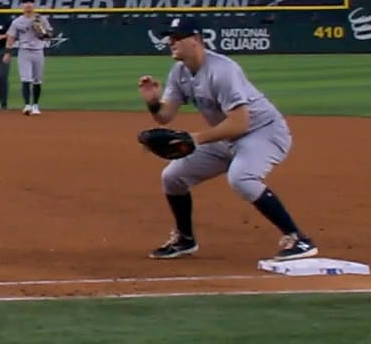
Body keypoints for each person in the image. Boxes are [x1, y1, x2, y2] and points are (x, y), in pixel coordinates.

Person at [136, 17, 319, 262]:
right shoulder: (179, 72)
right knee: (172, 177)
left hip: (263, 131)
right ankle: (185, 239)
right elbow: (164, 117)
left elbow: (240, 123)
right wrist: (152, 102)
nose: (172, 42)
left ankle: (298, 239)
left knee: (241, 177)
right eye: (170, 38)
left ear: (197, 40)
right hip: (227, 136)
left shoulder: (223, 71)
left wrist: (195, 138)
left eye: (178, 37)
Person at [5, 0, 53, 115]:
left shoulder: (41, 19)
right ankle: (27, 105)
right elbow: (11, 37)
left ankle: (35, 105)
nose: (28, 4)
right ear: (22, 5)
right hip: (24, 52)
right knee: (25, 79)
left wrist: (42, 33)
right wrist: (7, 53)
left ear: (34, 5)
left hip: (38, 51)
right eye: (26, 2)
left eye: (30, 2)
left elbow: (50, 35)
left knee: (37, 80)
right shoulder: (17, 21)